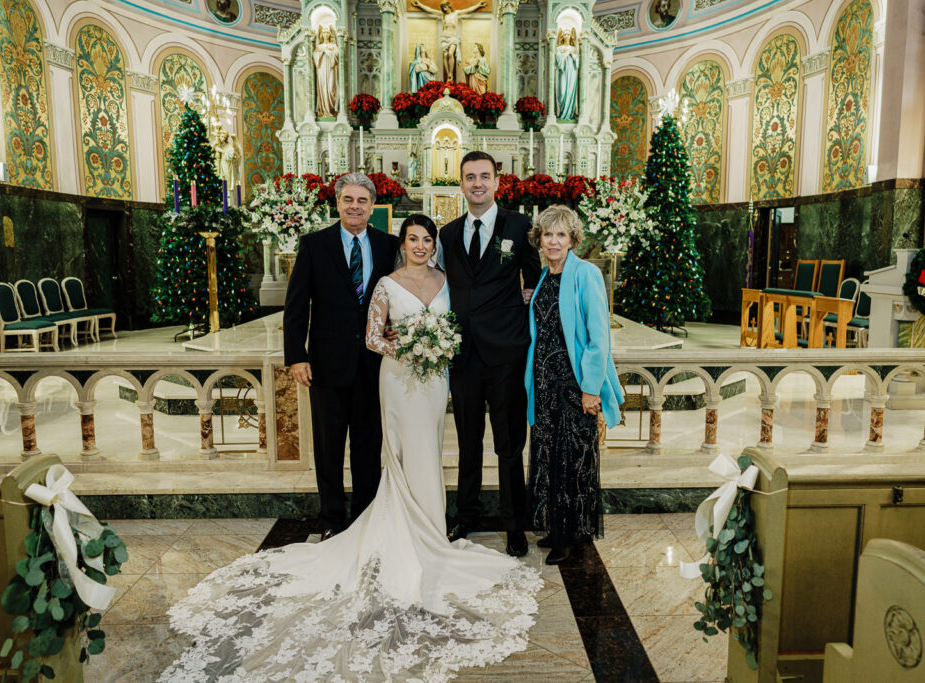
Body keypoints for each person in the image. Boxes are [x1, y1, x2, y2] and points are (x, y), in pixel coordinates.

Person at [162, 215, 542, 681]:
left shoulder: (447, 281)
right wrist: (412, 349)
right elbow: (372, 336)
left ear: (434, 244)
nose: (420, 246)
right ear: (402, 243)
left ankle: (431, 524)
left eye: (426, 239)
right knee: (398, 451)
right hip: (401, 379)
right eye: (413, 239)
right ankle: (401, 524)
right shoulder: (386, 283)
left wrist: (440, 344)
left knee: (428, 448)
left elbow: (465, 317)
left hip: (435, 379)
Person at [437, 151, 541, 557]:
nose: (477, 183)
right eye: (470, 177)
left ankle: (515, 523)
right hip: (463, 354)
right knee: (467, 440)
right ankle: (467, 514)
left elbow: (535, 280)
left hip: (506, 353)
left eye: (484, 176)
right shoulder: (447, 233)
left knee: (509, 443)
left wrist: (525, 304)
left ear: (497, 181)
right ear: (461, 184)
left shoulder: (520, 225)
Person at [282, 173, 397, 540]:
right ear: (337, 203)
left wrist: (396, 329)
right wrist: (296, 356)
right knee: (329, 447)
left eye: (362, 201)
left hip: (373, 364)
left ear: (372, 206)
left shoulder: (389, 246)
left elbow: (397, 298)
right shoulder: (315, 245)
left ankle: (365, 516)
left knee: (368, 446)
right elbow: (296, 306)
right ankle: (332, 518)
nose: (355, 207)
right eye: (348, 199)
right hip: (327, 364)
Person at [524, 205, 624, 564]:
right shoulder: (544, 276)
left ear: (572, 239)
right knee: (549, 456)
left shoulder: (586, 273)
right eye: (548, 234)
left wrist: (591, 388)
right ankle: (556, 527)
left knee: (572, 460)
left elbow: (599, 337)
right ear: (539, 240)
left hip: (573, 385)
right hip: (545, 385)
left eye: (561, 234)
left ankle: (569, 535)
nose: (553, 241)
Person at [411, 0, 486, 81]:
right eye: (443, 8)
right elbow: (431, 10)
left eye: (445, 7)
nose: (445, 9)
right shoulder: (443, 15)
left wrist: (478, 5)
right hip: (445, 38)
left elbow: (467, 10)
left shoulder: (456, 13)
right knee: (445, 55)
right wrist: (420, 5)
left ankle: (451, 73)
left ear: (448, 5)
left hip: (453, 38)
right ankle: (448, 75)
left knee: (450, 53)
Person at [313, 24, 339, 117]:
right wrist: (321, 53)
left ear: (330, 34)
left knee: (331, 88)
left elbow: (337, 56)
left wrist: (328, 52)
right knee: (323, 88)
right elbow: (315, 57)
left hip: (331, 68)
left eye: (327, 32)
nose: (325, 34)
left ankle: (332, 110)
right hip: (321, 69)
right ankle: (324, 110)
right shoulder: (319, 46)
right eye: (324, 32)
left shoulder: (333, 45)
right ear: (321, 34)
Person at [555, 28, 579, 121]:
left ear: (571, 36)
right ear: (562, 36)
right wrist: (565, 54)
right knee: (562, 92)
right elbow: (558, 62)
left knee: (570, 92)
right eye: (565, 34)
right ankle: (562, 113)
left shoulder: (574, 49)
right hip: (563, 72)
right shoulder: (559, 48)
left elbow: (577, 63)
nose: (566, 36)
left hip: (572, 72)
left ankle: (569, 114)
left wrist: (572, 54)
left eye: (568, 34)